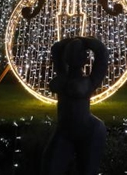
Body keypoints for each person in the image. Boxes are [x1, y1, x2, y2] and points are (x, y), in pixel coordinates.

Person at [41, 36, 108, 175]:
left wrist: (84, 41)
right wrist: (77, 40)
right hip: (64, 131)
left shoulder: (91, 80)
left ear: (84, 59)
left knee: (88, 170)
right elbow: (56, 48)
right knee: (49, 168)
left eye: (77, 53)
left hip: (90, 131)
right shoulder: (63, 74)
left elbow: (102, 53)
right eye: (70, 52)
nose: (73, 56)